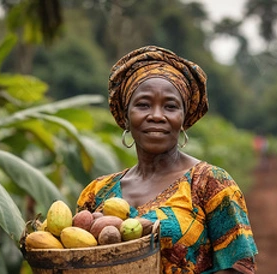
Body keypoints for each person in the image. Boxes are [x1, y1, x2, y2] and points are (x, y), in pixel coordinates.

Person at [76, 45, 258, 273]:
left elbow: (240, 267)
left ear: (183, 118)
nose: (156, 116)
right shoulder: (96, 193)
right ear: (125, 117)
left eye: (170, 107)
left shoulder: (210, 183)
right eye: (143, 105)